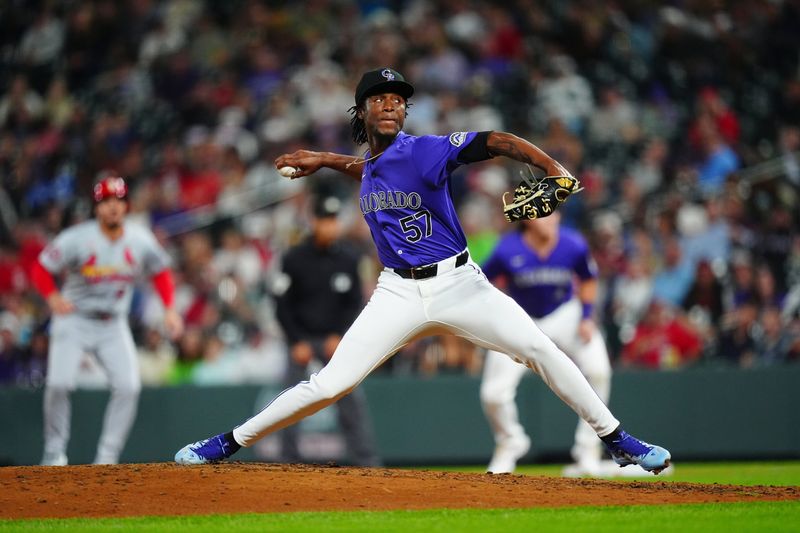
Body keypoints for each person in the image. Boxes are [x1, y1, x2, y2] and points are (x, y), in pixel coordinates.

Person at [175, 67, 671, 475]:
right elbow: (370, 167)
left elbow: (496, 140)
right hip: (397, 294)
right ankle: (226, 443)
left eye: (398, 99)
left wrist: (554, 169)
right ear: (362, 110)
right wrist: (326, 160)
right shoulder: (371, 164)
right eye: (380, 98)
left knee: (540, 348)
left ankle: (617, 438)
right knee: (328, 385)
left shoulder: (426, 149)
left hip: (460, 284)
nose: (391, 104)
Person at [31, 175, 183, 465]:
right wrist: (51, 297)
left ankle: (106, 459)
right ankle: (53, 454)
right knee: (59, 384)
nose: (113, 207)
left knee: (128, 387)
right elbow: (42, 268)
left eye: (118, 200)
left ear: (126, 206)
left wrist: (170, 308)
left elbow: (161, 272)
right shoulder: (77, 238)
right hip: (74, 319)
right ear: (96, 208)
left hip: (113, 322)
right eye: (106, 201)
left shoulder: (139, 238)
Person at [479, 211, 615, 476]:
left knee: (599, 370)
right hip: (523, 318)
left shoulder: (573, 243)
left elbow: (588, 279)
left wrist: (587, 316)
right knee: (493, 394)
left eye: (554, 213)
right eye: (545, 214)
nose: (553, 219)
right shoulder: (507, 248)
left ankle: (587, 449)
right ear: (528, 219)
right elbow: (480, 280)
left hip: (566, 313)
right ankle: (510, 442)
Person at [273, 195, 380, 466]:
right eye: (325, 220)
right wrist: (296, 340)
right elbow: (282, 304)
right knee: (290, 402)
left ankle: (365, 461)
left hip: (336, 341)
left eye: (333, 220)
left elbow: (356, 303)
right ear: (313, 221)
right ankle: (288, 461)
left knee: (351, 401)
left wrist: (341, 336)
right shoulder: (294, 258)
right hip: (302, 341)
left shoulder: (349, 258)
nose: (330, 226)